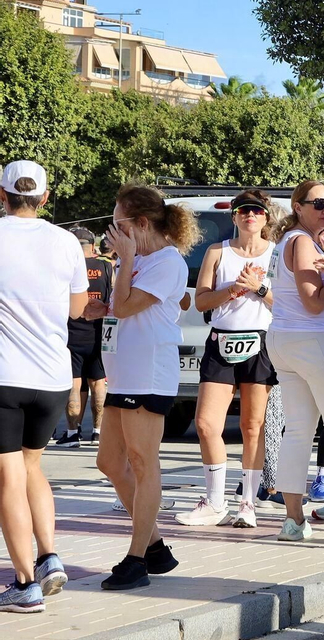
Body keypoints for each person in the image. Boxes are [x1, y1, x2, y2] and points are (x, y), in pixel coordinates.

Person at [98, 184, 197, 590]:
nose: (113, 231)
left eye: (119, 224)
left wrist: (123, 261)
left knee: (143, 461)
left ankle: (137, 557)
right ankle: (154, 546)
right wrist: (98, 307)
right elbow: (119, 309)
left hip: (149, 371)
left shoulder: (164, 262)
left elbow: (125, 306)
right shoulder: (140, 259)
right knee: (109, 461)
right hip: (124, 371)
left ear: (141, 223)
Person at [256, 181, 324, 544]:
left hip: (286, 340)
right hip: (317, 338)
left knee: (299, 430)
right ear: (298, 206)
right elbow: (315, 302)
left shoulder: (291, 240)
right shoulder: (302, 241)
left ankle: (293, 521)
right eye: (317, 203)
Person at [0, 161, 87, 612]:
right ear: (46, 199)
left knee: (8, 476)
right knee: (33, 467)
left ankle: (24, 582)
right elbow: (76, 309)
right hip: (52, 377)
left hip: (4, 375)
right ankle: (49, 555)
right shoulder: (67, 240)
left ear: (2, 194)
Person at [177, 189, 277, 529]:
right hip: (221, 341)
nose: (250, 215)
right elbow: (202, 301)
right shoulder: (217, 252)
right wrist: (233, 289)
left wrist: (259, 289)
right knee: (205, 423)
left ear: (266, 218)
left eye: (257, 211)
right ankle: (215, 500)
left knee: (252, 427)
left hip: (259, 343)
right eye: (244, 210)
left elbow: (289, 305)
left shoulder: (276, 255)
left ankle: (248, 502)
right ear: (234, 217)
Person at [54, 227, 111, 448]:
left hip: (72, 334)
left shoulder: (66, 268)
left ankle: (72, 433)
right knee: (98, 383)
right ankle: (97, 432)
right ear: (93, 246)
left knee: (74, 384)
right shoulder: (106, 267)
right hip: (98, 333)